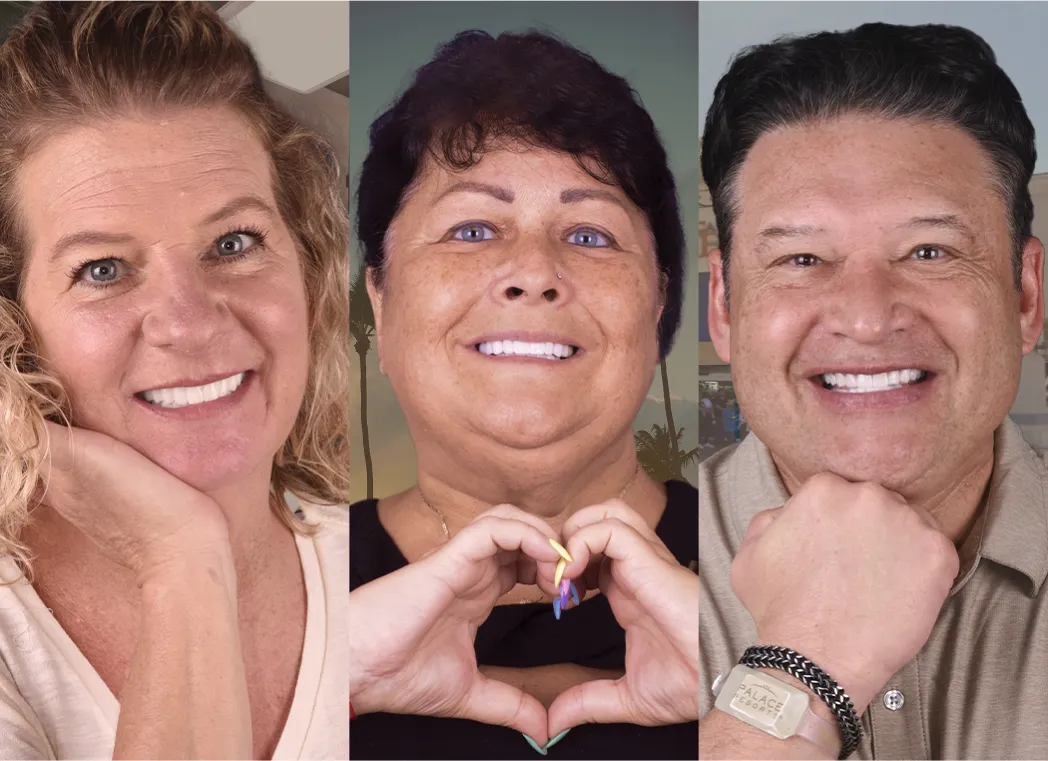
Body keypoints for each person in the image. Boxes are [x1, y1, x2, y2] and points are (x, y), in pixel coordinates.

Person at [0, 2, 349, 758]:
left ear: (309, 266)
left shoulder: (386, 569)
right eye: (102, 269)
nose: (188, 322)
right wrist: (182, 568)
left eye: (233, 241)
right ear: (15, 329)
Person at [698, 22, 1047, 760]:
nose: (865, 315)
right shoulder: (611, 575)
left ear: (1025, 295)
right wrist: (803, 665)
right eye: (801, 257)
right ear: (724, 307)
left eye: (930, 251)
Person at [349, 29, 699, 760]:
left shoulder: (776, 577)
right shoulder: (283, 586)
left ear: (660, 300)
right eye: (473, 228)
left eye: (592, 235)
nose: (533, 271)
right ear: (379, 300)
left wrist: (766, 685)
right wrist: (319, 676)